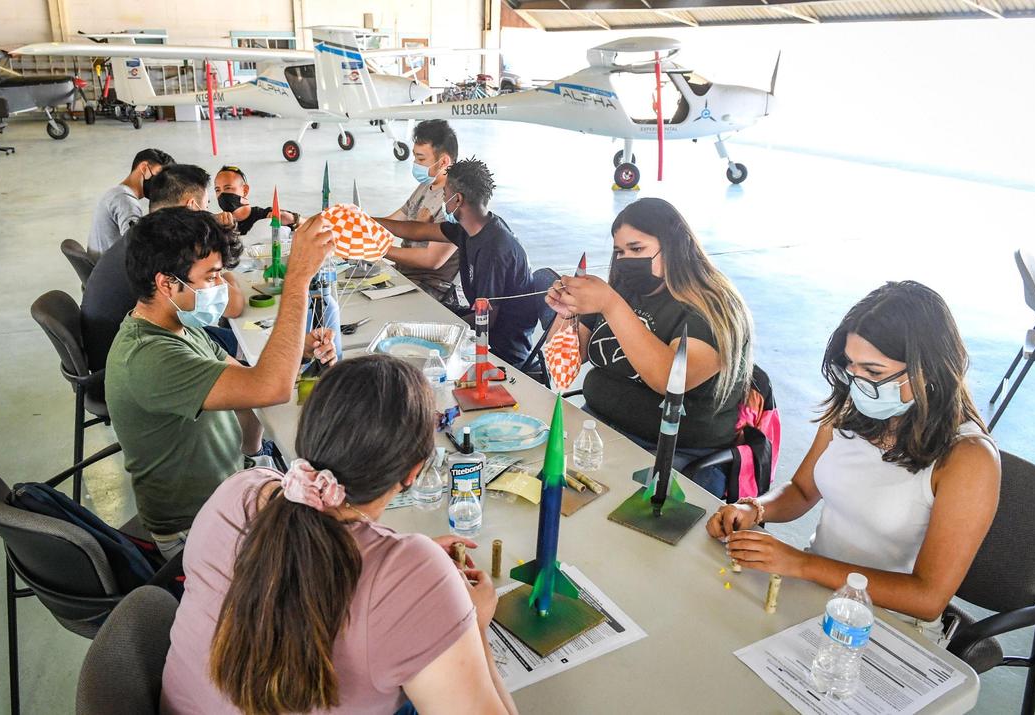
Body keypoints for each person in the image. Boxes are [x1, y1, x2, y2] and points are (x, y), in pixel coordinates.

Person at [162, 355, 517, 715]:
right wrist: (473, 626)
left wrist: (405, 566)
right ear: (412, 473)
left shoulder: (240, 490)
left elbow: (315, 544)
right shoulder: (414, 577)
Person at [708, 281, 1000, 635]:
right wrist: (754, 509)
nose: (858, 381)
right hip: (817, 592)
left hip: (890, 624)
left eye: (874, 372)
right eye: (851, 366)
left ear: (929, 369)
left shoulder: (968, 459)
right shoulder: (852, 408)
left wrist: (802, 564)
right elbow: (802, 490)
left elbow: (927, 597)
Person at [105, 208, 337, 559]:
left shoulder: (176, 326)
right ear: (166, 282)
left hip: (232, 489)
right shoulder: (149, 356)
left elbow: (246, 380)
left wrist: (298, 352)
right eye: (212, 277)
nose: (220, 288)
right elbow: (268, 388)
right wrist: (298, 279)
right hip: (197, 529)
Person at [545, 198, 753, 496]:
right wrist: (567, 313)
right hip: (599, 430)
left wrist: (611, 306)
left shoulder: (713, 308)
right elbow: (561, 365)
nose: (627, 260)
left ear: (674, 246)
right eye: (620, 251)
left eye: (637, 249)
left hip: (671, 453)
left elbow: (670, 380)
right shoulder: (624, 289)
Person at [82, 164, 246, 376]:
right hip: (141, 364)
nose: (208, 215)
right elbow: (235, 306)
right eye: (205, 207)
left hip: (111, 353)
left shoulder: (142, 236)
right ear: (192, 207)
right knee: (252, 349)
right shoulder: (170, 251)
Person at [378, 158, 537, 369]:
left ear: (457, 199)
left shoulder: (494, 249)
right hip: (482, 323)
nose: (443, 200)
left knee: (414, 349)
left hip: (501, 348)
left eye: (445, 195)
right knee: (415, 319)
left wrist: (440, 336)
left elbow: (486, 319)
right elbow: (416, 230)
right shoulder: (471, 227)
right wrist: (368, 221)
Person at [382, 120, 461, 304]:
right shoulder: (426, 187)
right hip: (406, 275)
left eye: (421, 159)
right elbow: (395, 222)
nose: (416, 164)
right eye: (415, 158)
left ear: (444, 162)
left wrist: (380, 251)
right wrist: (355, 226)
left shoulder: (454, 201)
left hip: (431, 287)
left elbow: (432, 259)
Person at [87, 148, 173, 258]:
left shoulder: (117, 192)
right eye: (159, 176)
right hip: (114, 269)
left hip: (103, 264)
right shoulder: (125, 200)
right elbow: (137, 247)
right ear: (144, 168)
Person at [213, 164, 299, 236]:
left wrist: (293, 219)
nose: (222, 194)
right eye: (217, 190)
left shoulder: (267, 216)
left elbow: (307, 224)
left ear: (245, 190)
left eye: (228, 188)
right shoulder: (216, 224)